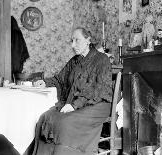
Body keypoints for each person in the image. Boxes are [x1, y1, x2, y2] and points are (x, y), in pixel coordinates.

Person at [28, 27, 113, 155]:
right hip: (78, 103)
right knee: (45, 117)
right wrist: (45, 82)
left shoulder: (102, 59)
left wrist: (74, 105)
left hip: (98, 104)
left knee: (65, 123)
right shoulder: (74, 61)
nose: (73, 45)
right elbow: (60, 78)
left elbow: (99, 88)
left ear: (88, 40)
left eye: (77, 40)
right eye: (72, 41)